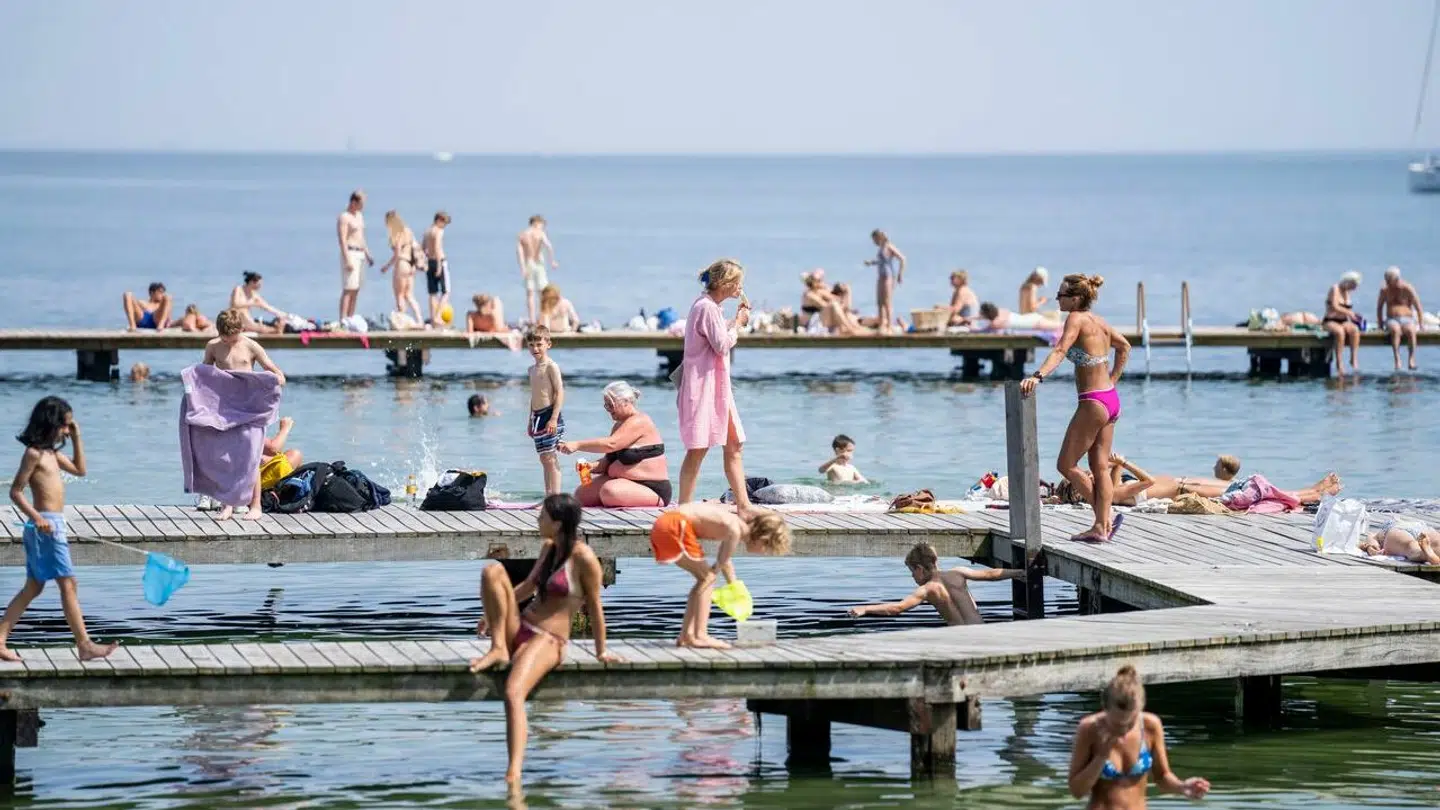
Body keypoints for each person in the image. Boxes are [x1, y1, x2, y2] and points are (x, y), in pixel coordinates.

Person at [468, 494, 621, 784]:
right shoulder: (549, 548)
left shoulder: (584, 558)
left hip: (548, 640)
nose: (538, 521)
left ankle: (513, 773)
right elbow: (527, 587)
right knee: (492, 571)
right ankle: (499, 647)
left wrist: (601, 651)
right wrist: (491, 615)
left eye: (542, 517)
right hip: (522, 626)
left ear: (559, 523)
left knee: (514, 693)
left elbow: (596, 606)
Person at [1, 396, 118, 662]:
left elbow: (80, 470)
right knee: (68, 582)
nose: (67, 430)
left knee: (34, 587)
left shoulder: (53, 455)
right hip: (44, 525)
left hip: (52, 524)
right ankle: (85, 644)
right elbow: (16, 492)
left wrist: (77, 437)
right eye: (65, 426)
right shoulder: (33, 454)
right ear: (50, 423)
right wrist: (36, 518)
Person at [1021, 274, 1131, 542]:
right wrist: (1113, 381)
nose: (1058, 299)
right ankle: (1101, 526)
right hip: (1110, 400)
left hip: (1093, 402)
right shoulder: (1100, 322)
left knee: (1066, 464)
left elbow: (1060, 350)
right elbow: (1124, 346)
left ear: (1076, 298)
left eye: (1061, 295)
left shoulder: (1076, 319)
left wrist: (1037, 376)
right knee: (1100, 466)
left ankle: (1101, 520)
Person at [648, 502, 791, 648]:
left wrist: (733, 585)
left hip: (666, 524)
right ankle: (700, 635)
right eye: (767, 548)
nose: (764, 553)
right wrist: (726, 584)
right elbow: (719, 565)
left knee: (705, 579)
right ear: (763, 538)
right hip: (675, 525)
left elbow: (724, 561)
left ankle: (687, 635)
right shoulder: (734, 530)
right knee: (708, 579)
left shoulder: (733, 525)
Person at [1069, 665, 1210, 807]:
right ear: (1104, 707)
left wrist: (1183, 787)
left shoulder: (1151, 725)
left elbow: (1162, 777)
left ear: (1141, 708)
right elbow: (1077, 791)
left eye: (1130, 723)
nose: (1123, 730)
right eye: (1117, 724)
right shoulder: (1089, 729)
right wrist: (1100, 757)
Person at [676, 259, 754, 514]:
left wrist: (734, 321)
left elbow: (716, 338)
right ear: (726, 283)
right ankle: (684, 508)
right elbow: (722, 345)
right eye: (737, 282)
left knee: (734, 444)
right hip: (704, 388)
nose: (740, 287)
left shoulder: (711, 308)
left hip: (718, 388)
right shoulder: (706, 308)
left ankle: (743, 505)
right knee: (698, 448)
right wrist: (740, 325)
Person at [203, 309, 287, 520]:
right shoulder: (213, 346)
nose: (230, 343)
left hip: (250, 408)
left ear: (241, 330)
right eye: (226, 339)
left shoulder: (250, 345)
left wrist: (277, 378)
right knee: (227, 457)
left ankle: (256, 505)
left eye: (234, 339)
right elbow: (204, 375)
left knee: (252, 456)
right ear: (219, 333)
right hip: (225, 409)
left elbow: (272, 369)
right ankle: (228, 505)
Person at [847, 543, 1022, 624]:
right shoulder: (958, 573)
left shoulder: (927, 590)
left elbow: (897, 608)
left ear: (920, 568)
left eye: (912, 572)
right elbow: (990, 574)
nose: (913, 577)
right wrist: (1020, 573)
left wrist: (866, 608)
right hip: (981, 631)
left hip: (961, 638)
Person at [559, 381, 672, 507]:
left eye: (611, 404)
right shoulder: (618, 426)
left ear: (626, 401)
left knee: (609, 491)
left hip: (651, 487)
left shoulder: (640, 420)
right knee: (581, 495)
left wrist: (578, 445)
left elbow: (611, 444)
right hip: (623, 482)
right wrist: (590, 466)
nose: (608, 409)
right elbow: (609, 460)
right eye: (606, 405)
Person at [1076, 455, 1341, 507]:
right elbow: (1145, 481)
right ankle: (1313, 493)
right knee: (1253, 490)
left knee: (1252, 487)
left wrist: (1112, 465)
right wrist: (1125, 464)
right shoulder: (1114, 496)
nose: (1090, 475)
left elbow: (1111, 478)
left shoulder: (1112, 489)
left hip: (1189, 483)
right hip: (1190, 490)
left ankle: (1313, 491)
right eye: (1087, 478)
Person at [525, 325, 565, 495]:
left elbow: (559, 391)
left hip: (550, 415)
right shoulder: (531, 369)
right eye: (532, 344)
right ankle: (548, 494)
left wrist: (554, 418)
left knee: (550, 458)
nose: (535, 348)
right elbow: (534, 396)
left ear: (548, 344)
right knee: (543, 458)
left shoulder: (551, 366)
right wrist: (530, 420)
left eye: (539, 344)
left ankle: (555, 497)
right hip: (537, 417)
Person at [380, 211, 426, 325]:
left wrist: (386, 267)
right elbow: (415, 248)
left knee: (399, 295)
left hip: (401, 264)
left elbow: (397, 254)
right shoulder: (408, 231)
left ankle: (402, 320)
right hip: (411, 265)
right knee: (409, 295)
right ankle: (420, 320)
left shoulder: (397, 234)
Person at [1377, 265, 1425, 371]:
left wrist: (1421, 324)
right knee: (1395, 330)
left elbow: (1418, 307)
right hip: (1392, 319)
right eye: (1386, 280)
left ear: (1396, 279)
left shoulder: (1407, 288)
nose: (1387, 282)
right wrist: (1380, 324)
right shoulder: (1384, 290)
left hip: (1407, 319)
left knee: (1411, 331)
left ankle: (1411, 359)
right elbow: (1379, 307)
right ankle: (1397, 359)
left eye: (1389, 280)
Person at [337, 189, 373, 321]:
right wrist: (347, 259)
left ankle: (351, 318)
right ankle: (343, 319)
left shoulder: (359, 216)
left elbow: (361, 237)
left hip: (360, 253)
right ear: (353, 202)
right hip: (350, 252)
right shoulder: (344, 217)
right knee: (348, 288)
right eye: (361, 204)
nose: (362, 207)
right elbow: (342, 239)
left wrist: (368, 254)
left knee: (356, 288)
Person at [516, 215, 558, 324]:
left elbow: (520, 253)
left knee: (530, 293)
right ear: (536, 223)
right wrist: (552, 261)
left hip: (528, 264)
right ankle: (544, 318)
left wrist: (522, 268)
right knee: (542, 293)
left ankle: (532, 319)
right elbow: (549, 246)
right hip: (539, 263)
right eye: (542, 225)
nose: (542, 228)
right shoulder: (540, 234)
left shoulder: (523, 235)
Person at [801, 272, 870, 335]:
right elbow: (826, 306)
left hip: (825, 320)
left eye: (822, 280)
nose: (822, 282)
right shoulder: (809, 295)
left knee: (848, 314)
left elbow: (844, 306)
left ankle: (851, 328)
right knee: (834, 305)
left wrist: (846, 292)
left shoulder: (821, 291)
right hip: (815, 325)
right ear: (813, 283)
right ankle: (849, 329)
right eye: (819, 281)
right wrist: (836, 300)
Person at [1323, 270, 1363, 377]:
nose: (1353, 289)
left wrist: (1354, 315)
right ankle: (1339, 362)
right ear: (1347, 282)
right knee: (1340, 332)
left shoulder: (1347, 292)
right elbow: (1335, 306)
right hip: (1330, 320)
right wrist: (1349, 313)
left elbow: (1347, 309)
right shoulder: (1335, 288)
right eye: (1353, 285)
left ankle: (1353, 358)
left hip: (1344, 321)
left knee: (1354, 330)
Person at [864, 229, 905, 333]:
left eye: (874, 240)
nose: (874, 242)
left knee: (887, 302)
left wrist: (900, 274)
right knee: (879, 302)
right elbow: (881, 261)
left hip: (889, 277)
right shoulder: (881, 248)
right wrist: (871, 262)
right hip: (881, 277)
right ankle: (882, 324)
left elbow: (903, 259)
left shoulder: (889, 246)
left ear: (879, 237)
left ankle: (890, 326)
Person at [1361, 517, 1440, 564]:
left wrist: (1370, 548)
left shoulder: (1382, 532)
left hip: (1398, 529)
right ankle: (1430, 553)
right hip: (1424, 528)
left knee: (1409, 546)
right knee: (1436, 542)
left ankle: (1426, 554)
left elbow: (1371, 536)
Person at [422, 212, 452, 326]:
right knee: (446, 292)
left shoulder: (427, 231)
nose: (444, 226)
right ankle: (437, 316)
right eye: (444, 223)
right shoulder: (438, 231)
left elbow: (423, 248)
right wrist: (439, 265)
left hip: (430, 262)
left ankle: (433, 317)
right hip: (439, 261)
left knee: (432, 292)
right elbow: (438, 248)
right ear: (439, 220)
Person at [978, 302, 1063, 331]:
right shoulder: (1002, 312)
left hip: (1034, 323)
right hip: (1032, 317)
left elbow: (985, 328)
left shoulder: (996, 323)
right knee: (1059, 324)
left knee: (1060, 326)